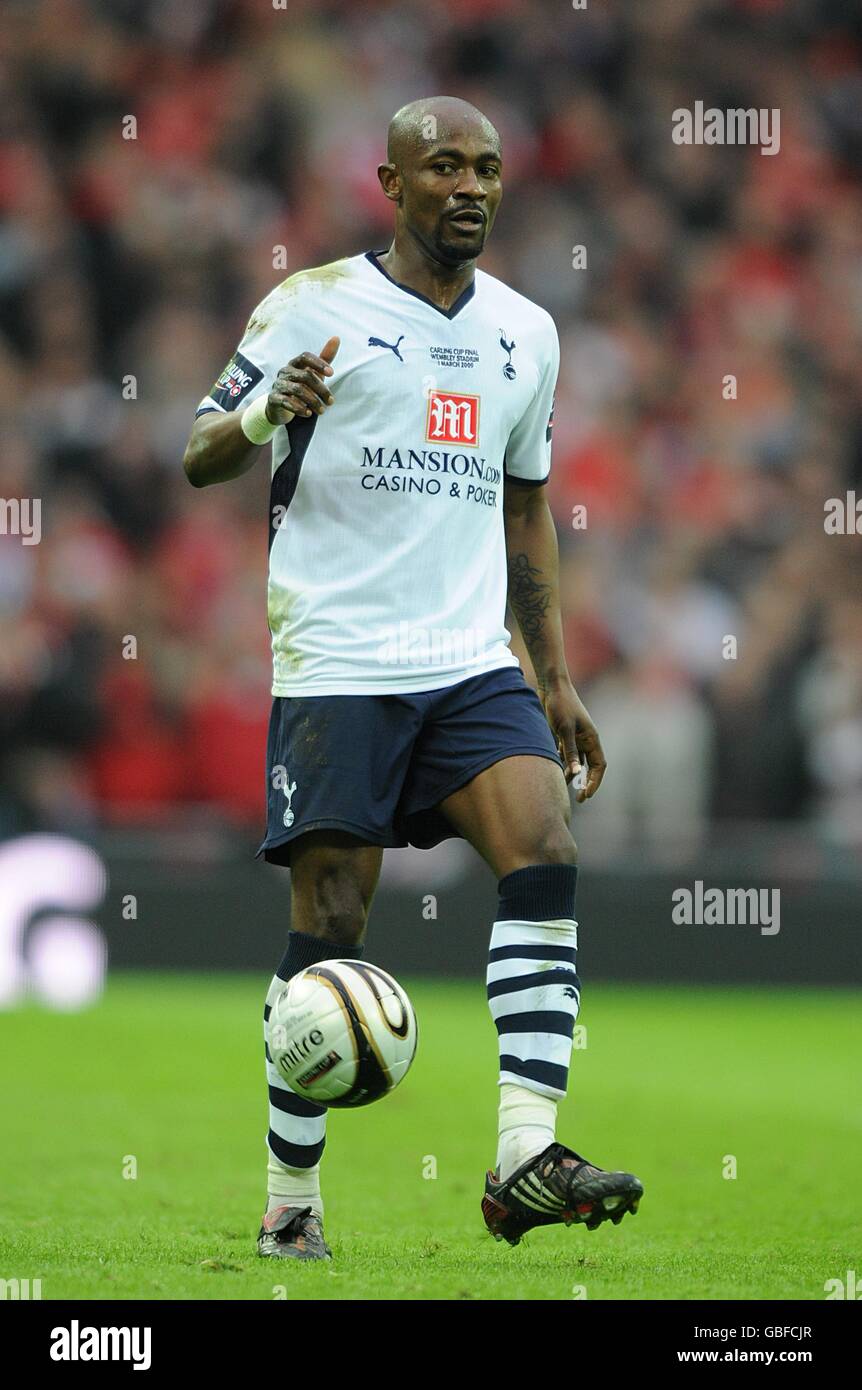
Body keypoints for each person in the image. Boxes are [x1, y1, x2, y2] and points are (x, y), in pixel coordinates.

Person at [182, 95, 642, 1261]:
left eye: (487, 167)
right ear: (391, 184)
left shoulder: (526, 334)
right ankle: (293, 1200)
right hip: (338, 660)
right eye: (444, 166)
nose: (472, 186)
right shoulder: (309, 306)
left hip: (468, 659)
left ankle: (524, 1156)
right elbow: (196, 451)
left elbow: (527, 504)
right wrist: (262, 417)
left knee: (544, 847)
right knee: (330, 926)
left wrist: (553, 673)